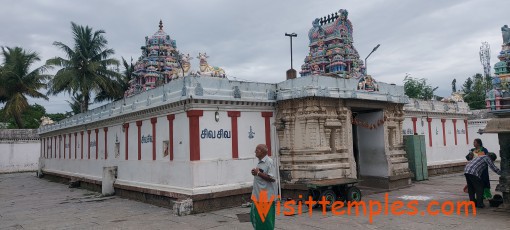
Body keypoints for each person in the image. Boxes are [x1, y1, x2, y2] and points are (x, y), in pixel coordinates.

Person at [250, 144, 277, 230]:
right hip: (258, 196)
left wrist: (258, 173)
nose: (255, 152)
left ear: (262, 152)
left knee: (266, 220)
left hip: (266, 198)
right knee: (257, 218)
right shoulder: (260, 162)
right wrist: (256, 173)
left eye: (257, 150)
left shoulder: (269, 162)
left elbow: (272, 178)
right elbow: (261, 174)